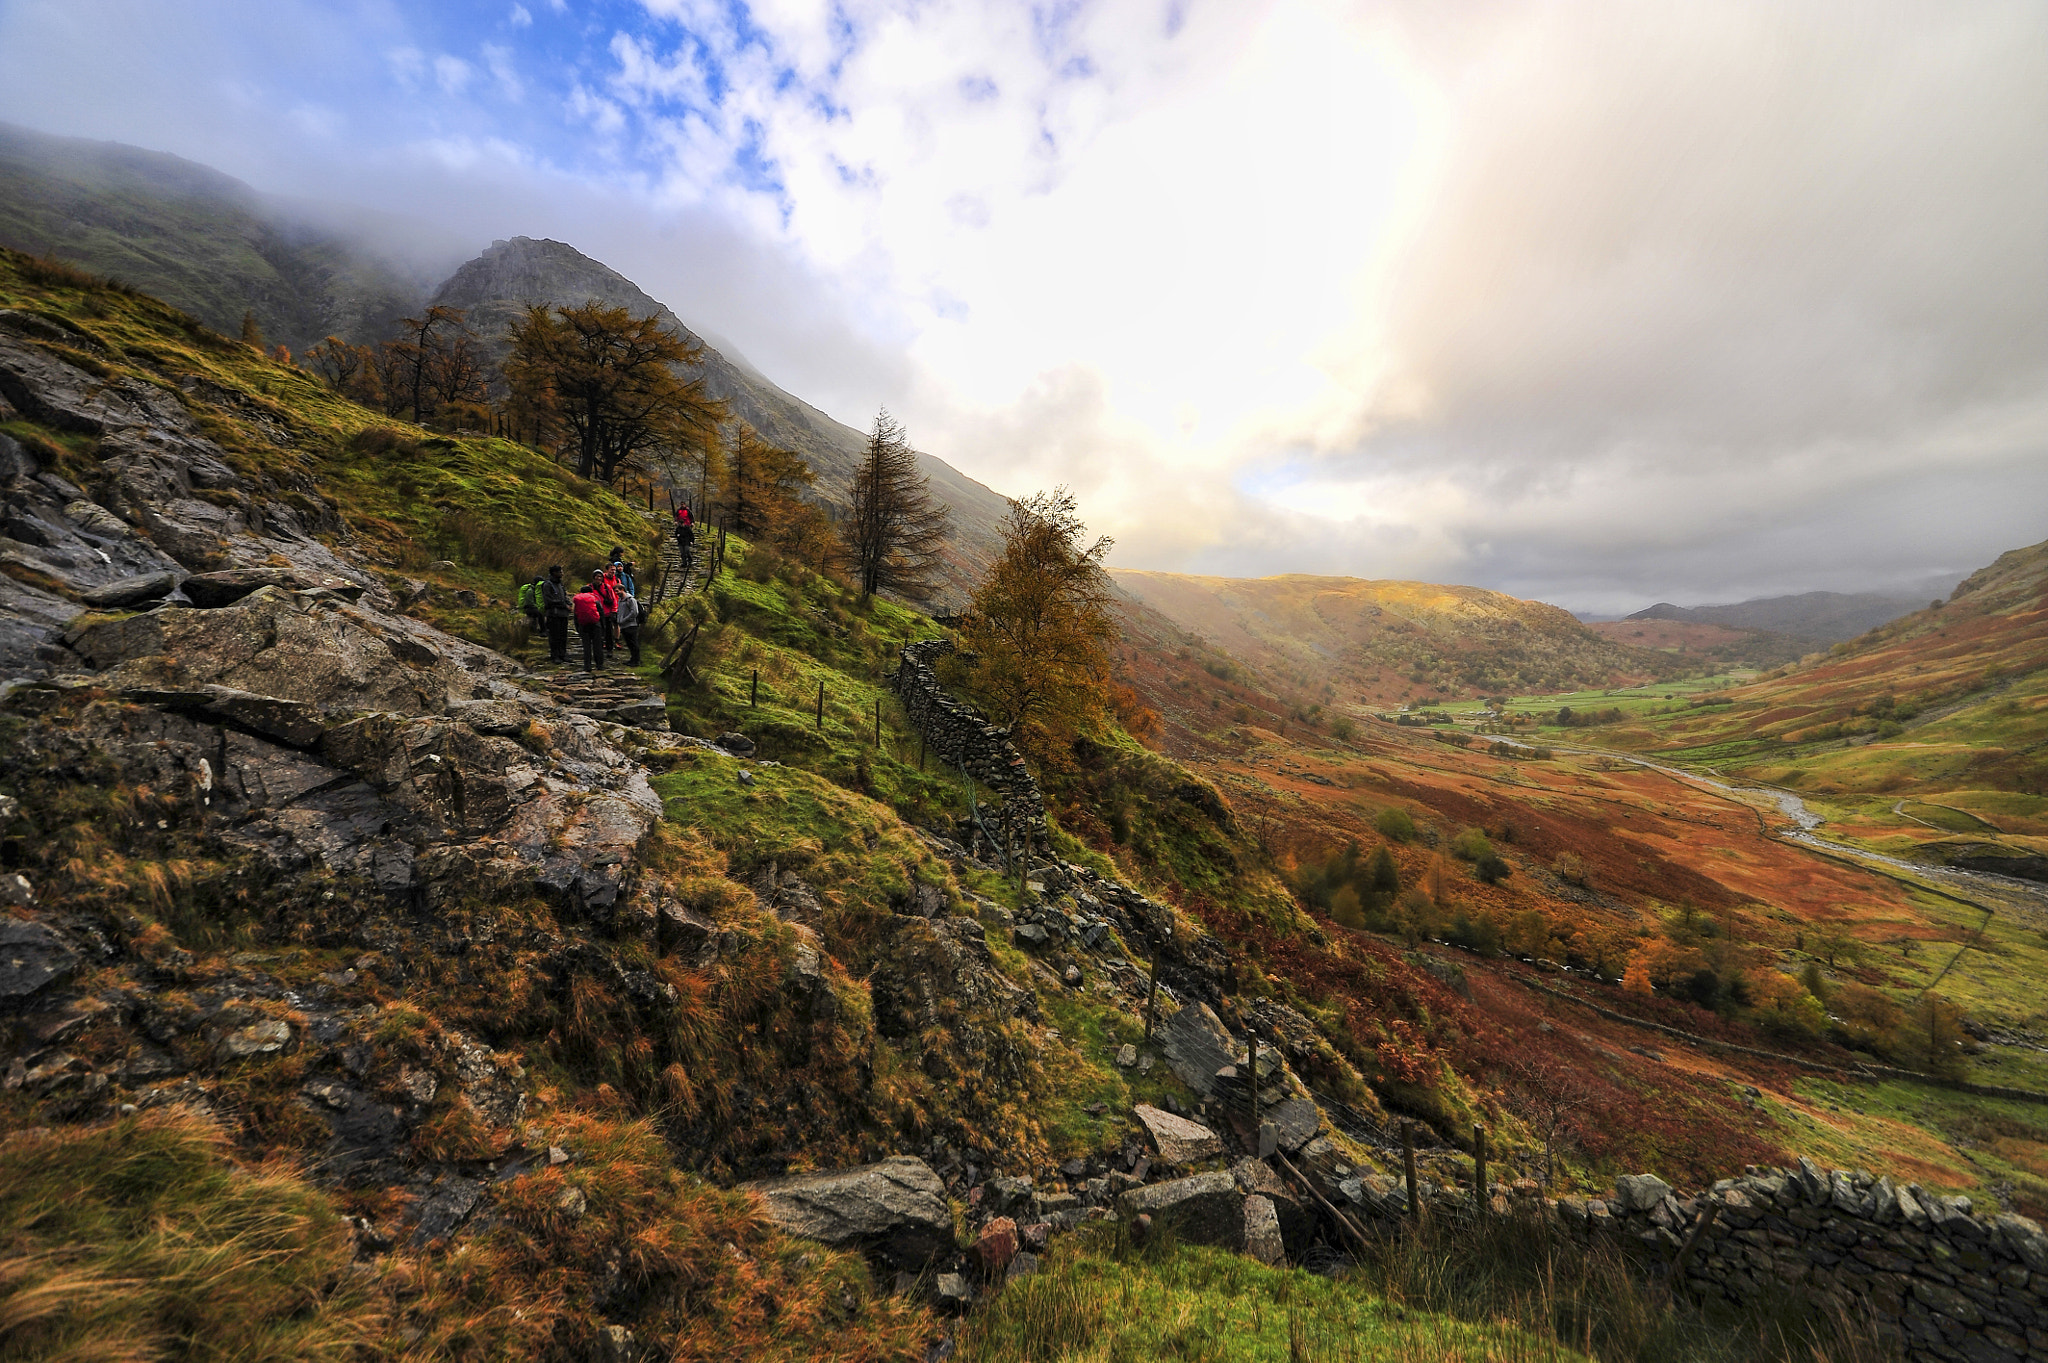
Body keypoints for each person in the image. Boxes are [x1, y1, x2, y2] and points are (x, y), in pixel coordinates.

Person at [572, 576, 604, 672]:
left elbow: (575, 615)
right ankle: (599, 665)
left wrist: (578, 627)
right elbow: (601, 614)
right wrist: (603, 627)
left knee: (586, 646)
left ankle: (587, 666)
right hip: (595, 624)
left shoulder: (578, 601)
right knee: (597, 645)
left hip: (583, 625)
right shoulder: (594, 599)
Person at [541, 565, 572, 664]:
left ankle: (563, 654)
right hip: (553, 614)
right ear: (554, 573)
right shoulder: (547, 584)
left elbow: (564, 596)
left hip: (563, 614)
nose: (562, 573)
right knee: (554, 636)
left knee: (563, 635)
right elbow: (548, 600)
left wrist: (569, 604)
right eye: (560, 571)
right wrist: (563, 604)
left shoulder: (560, 584)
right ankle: (555, 656)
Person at [595, 563, 621, 654]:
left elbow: (615, 596)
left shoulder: (615, 581)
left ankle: (614, 642)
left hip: (609, 609)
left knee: (613, 625)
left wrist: (615, 608)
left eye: (614, 569)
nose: (613, 571)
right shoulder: (591, 587)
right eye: (611, 569)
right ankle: (601, 645)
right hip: (597, 611)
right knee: (601, 629)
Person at [616, 582, 642, 666]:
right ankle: (632, 659)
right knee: (629, 644)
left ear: (622, 589)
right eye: (615, 592)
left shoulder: (630, 599)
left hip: (631, 625)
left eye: (617, 591)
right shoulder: (620, 600)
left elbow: (634, 612)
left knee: (633, 643)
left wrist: (624, 620)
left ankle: (636, 660)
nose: (616, 593)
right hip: (623, 626)